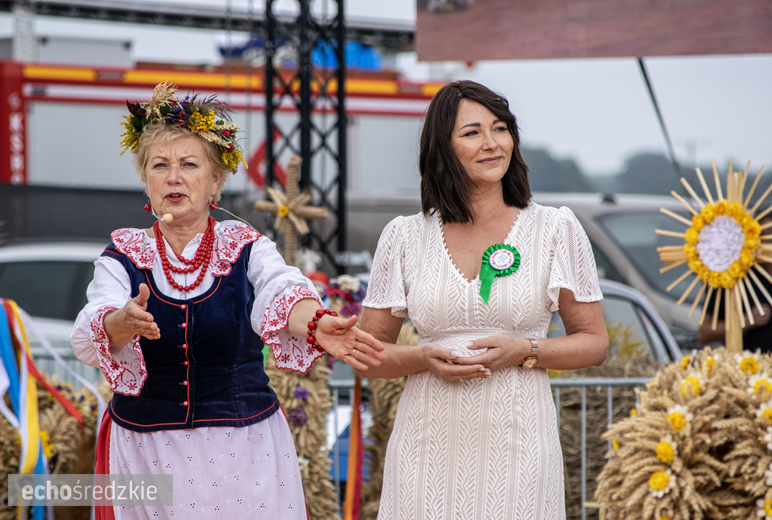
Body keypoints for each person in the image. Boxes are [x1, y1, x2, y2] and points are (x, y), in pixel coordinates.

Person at [70, 82, 384, 520]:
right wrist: (120, 323)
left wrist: (316, 323)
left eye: (189, 164)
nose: (174, 177)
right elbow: (94, 324)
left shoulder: (246, 247)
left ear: (215, 179)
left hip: (242, 449)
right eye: (160, 165)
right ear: (146, 180)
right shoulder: (123, 257)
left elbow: (280, 290)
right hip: (147, 450)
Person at [359, 80, 609, 519]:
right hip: (425, 447)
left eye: (500, 128)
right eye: (472, 132)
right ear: (443, 147)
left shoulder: (555, 229)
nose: (492, 143)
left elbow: (594, 343)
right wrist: (422, 358)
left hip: (519, 447)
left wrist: (526, 350)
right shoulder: (403, 236)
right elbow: (368, 354)